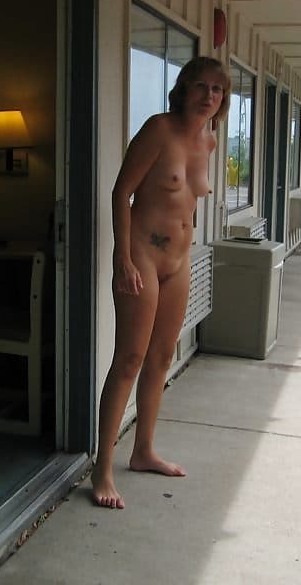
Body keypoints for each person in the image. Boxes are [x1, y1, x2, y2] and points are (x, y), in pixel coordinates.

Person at [91, 57, 231, 509]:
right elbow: (121, 191)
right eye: (201, 86)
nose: (208, 95)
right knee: (129, 358)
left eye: (217, 89)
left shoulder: (209, 140)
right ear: (183, 88)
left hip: (179, 260)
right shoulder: (158, 129)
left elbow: (187, 200)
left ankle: (144, 451)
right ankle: (102, 468)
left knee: (162, 357)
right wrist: (122, 256)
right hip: (142, 256)